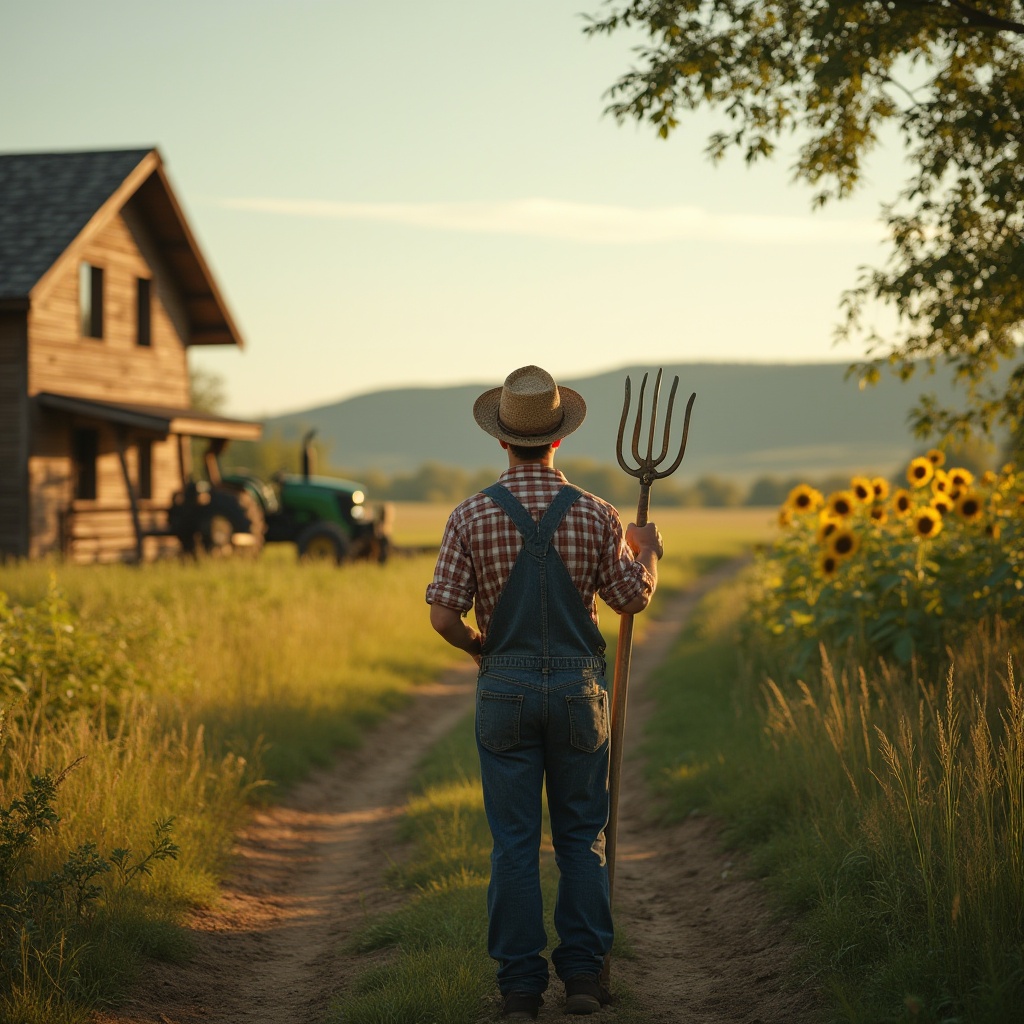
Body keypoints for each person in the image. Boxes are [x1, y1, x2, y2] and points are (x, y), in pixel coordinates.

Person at [426, 365, 662, 1019]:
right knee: (583, 838)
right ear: (558, 440)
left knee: (515, 843)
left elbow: (444, 616)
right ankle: (585, 979)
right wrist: (647, 554)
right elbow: (630, 599)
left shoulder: (469, 514)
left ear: (502, 440)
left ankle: (520, 990)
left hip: (503, 692)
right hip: (579, 697)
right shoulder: (597, 513)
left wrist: (481, 647)